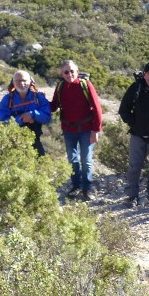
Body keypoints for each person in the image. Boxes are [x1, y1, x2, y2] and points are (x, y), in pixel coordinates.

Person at [51, 60, 103, 201]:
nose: (70, 74)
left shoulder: (85, 85)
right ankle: (76, 185)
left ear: (77, 71)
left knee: (86, 160)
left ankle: (87, 187)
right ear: (62, 74)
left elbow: (97, 108)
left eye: (72, 71)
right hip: (68, 130)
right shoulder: (61, 86)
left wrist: (96, 130)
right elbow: (54, 106)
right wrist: (39, 102)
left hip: (86, 129)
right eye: (66, 72)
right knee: (72, 160)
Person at [118, 60, 149, 207]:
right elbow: (124, 110)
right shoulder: (136, 88)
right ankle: (132, 196)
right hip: (137, 135)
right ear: (144, 74)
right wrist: (134, 124)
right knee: (134, 166)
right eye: (148, 74)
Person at [0, 69, 51, 156]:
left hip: (35, 141)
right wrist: (21, 119)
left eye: (24, 80)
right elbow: (2, 120)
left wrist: (32, 114)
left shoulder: (39, 98)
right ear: (13, 83)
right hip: (14, 142)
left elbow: (47, 118)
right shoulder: (7, 99)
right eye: (18, 81)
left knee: (41, 166)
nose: (22, 83)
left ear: (30, 82)